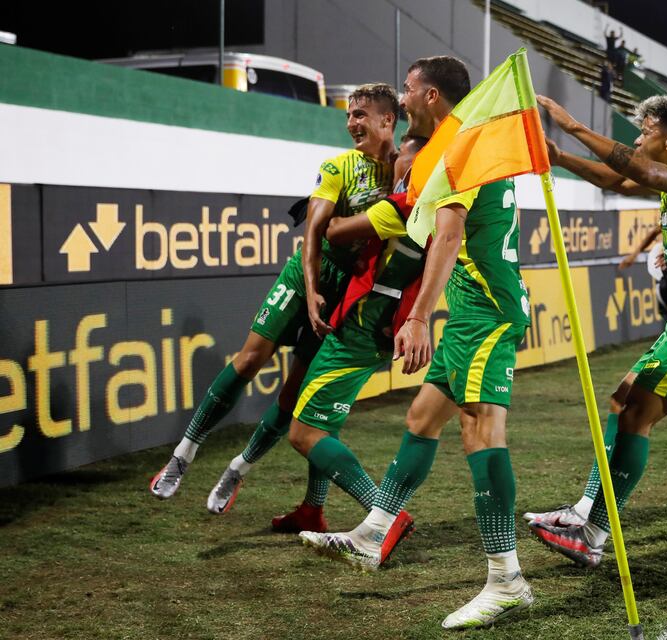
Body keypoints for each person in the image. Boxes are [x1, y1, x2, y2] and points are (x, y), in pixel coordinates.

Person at [301, 57, 538, 631]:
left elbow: (450, 235)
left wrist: (419, 317)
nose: (402, 98)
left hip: (487, 314)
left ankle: (506, 579)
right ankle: (375, 530)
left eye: (407, 90)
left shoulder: (461, 150)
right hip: (472, 312)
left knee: (478, 427)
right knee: (421, 418)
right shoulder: (464, 142)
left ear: (431, 96)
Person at [149, 84, 398, 517]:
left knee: (295, 394)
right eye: (348, 115)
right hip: (307, 278)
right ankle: (182, 455)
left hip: (349, 295)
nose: (351, 123)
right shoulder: (339, 165)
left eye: (360, 114)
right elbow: (313, 233)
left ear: (386, 120)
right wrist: (314, 287)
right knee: (248, 361)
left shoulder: (404, 169)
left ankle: (238, 469)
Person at [525, 94, 667, 569]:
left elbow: (642, 173)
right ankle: (585, 510)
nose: (636, 140)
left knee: (634, 416)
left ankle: (595, 535)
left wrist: (574, 126)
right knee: (625, 402)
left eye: (643, 133)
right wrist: (559, 157)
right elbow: (618, 181)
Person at [252, 134, 427, 541]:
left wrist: (335, 218)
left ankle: (385, 513)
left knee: (304, 432)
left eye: (403, 154)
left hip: (363, 324)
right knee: (320, 417)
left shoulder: (405, 204)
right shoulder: (424, 206)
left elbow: (332, 231)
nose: (395, 159)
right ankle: (313, 509)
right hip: (373, 320)